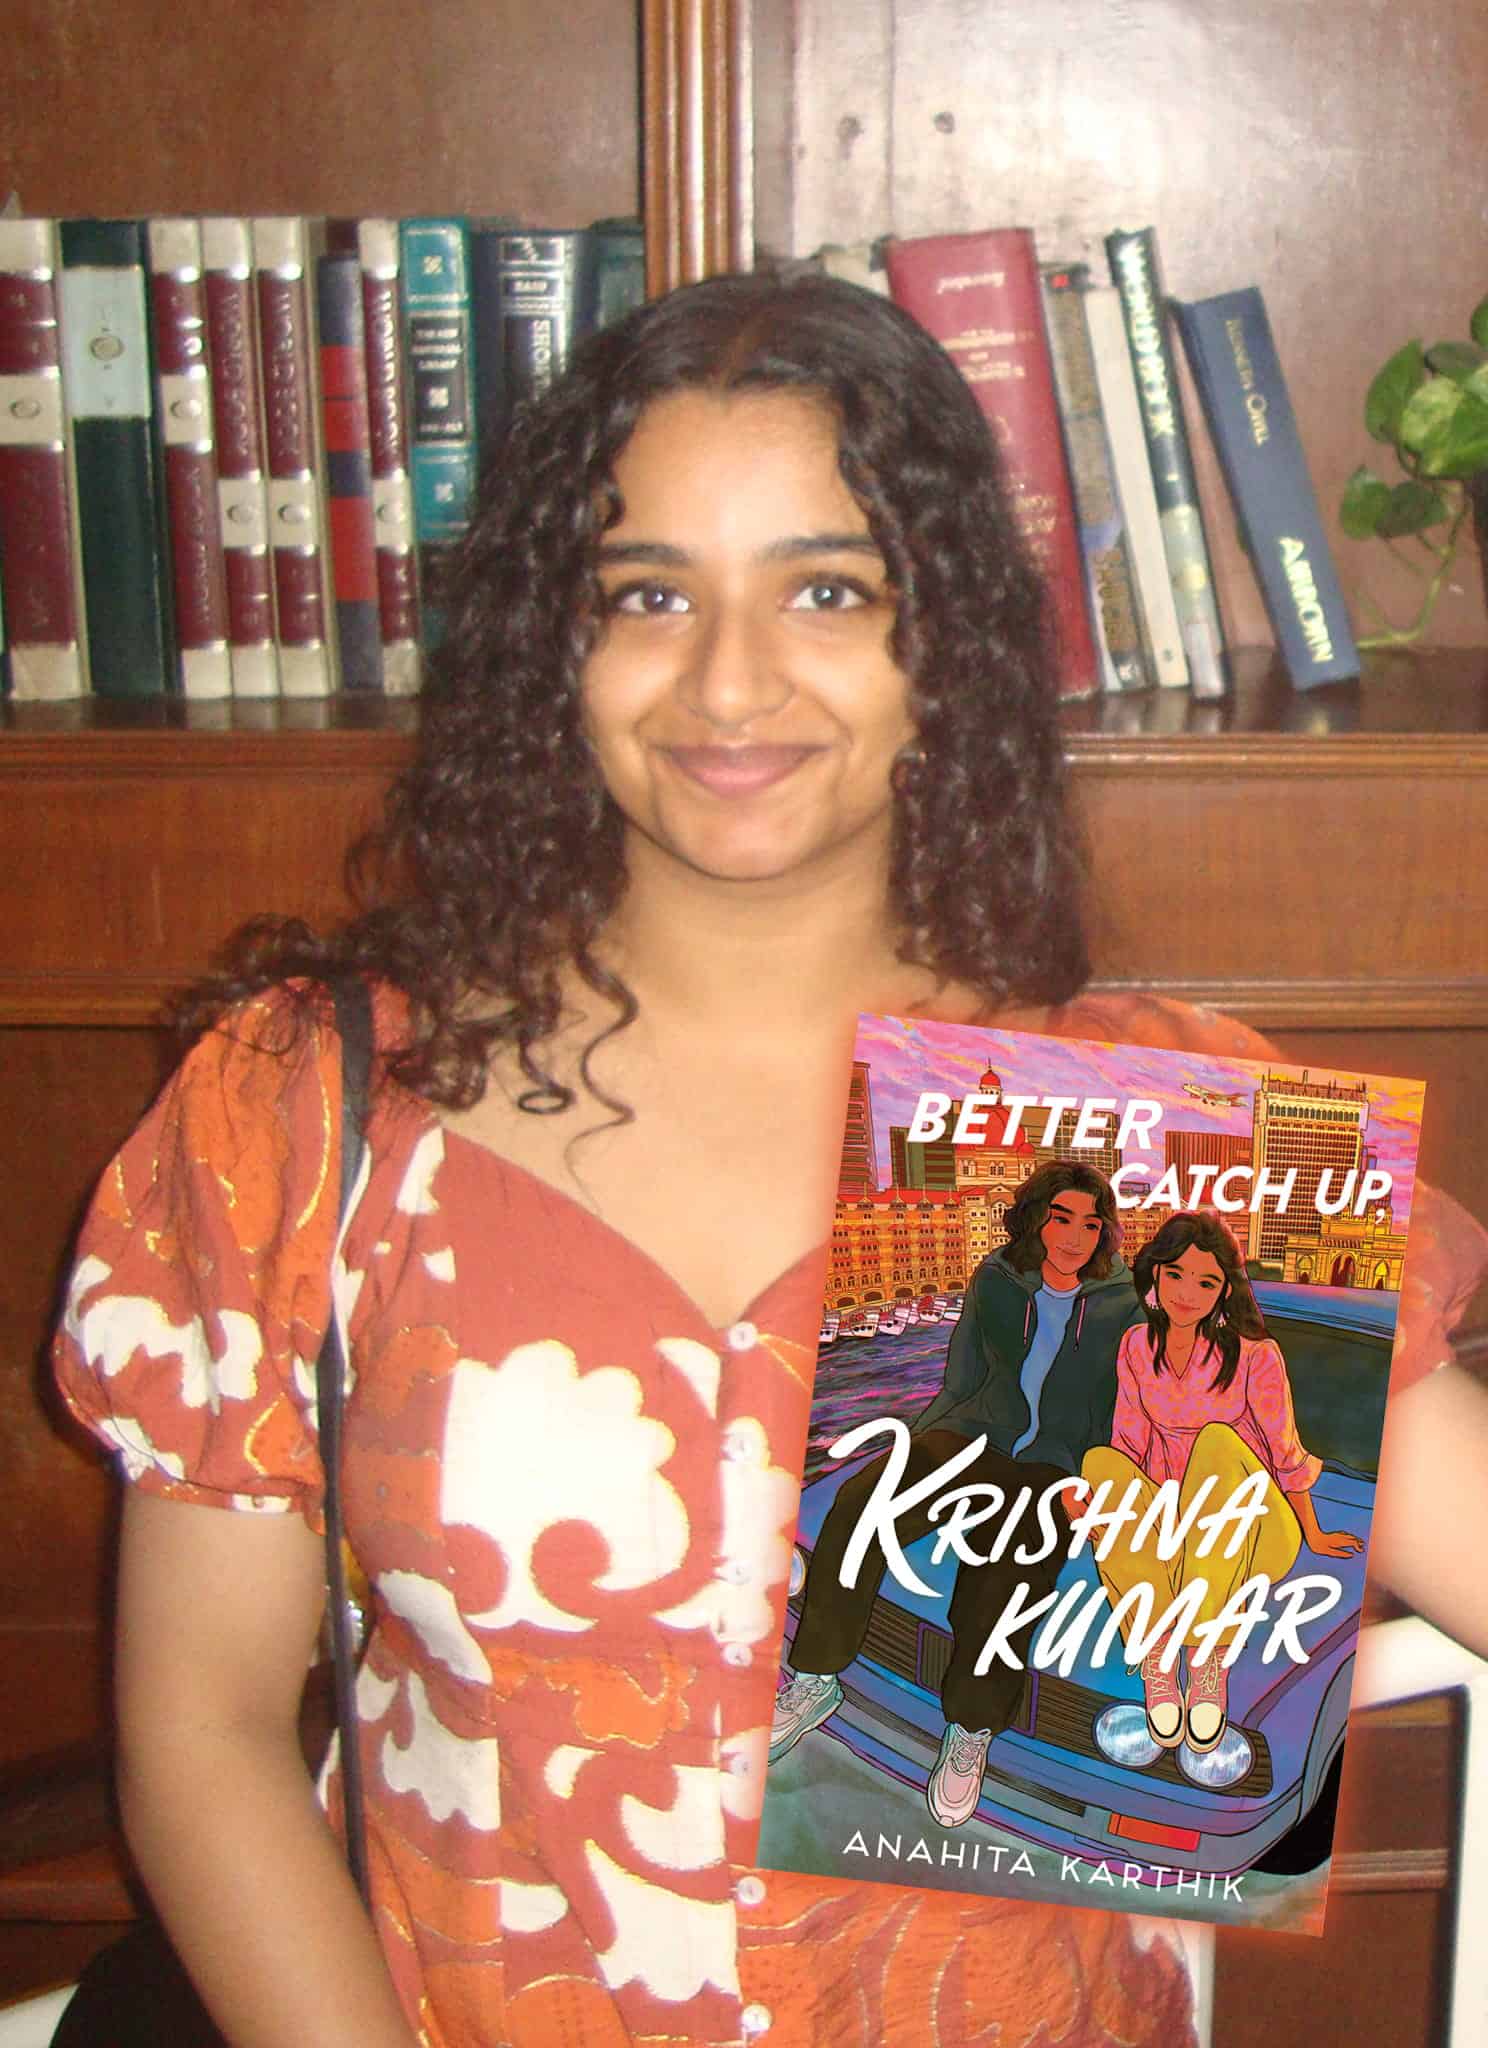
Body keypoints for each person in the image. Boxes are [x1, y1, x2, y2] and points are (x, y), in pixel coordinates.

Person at [49, 270, 1488, 2048]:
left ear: (938, 643)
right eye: (647, 594)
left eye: (824, 588)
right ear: (550, 647)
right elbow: (199, 1732)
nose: (729, 681)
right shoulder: (308, 1115)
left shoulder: (1137, 1126)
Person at [772, 1160, 1142, 1826]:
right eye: (1063, 1218)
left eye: (1091, 1223)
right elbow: (961, 1375)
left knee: (1002, 1583)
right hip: (973, 1434)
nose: (1076, 1236)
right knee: (861, 1507)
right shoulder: (996, 1279)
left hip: (1052, 1468)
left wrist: (1094, 1483)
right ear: (1036, 1218)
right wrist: (914, 1450)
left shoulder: (1123, 1303)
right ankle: (816, 1679)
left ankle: (970, 1731)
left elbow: (1122, 1410)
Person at [1081, 1210, 1362, 1755]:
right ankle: (1160, 1654)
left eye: (1207, 1282)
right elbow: (1129, 1443)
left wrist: (1315, 1532)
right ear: (1156, 1276)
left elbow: (1284, 1451)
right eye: (1178, 1275)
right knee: (1099, 1464)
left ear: (1223, 1291)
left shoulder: (1256, 1354)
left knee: (1215, 1444)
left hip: (1254, 1529)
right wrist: (1109, 1511)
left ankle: (1207, 1656)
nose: (1189, 1293)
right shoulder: (1137, 1346)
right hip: (1174, 1526)